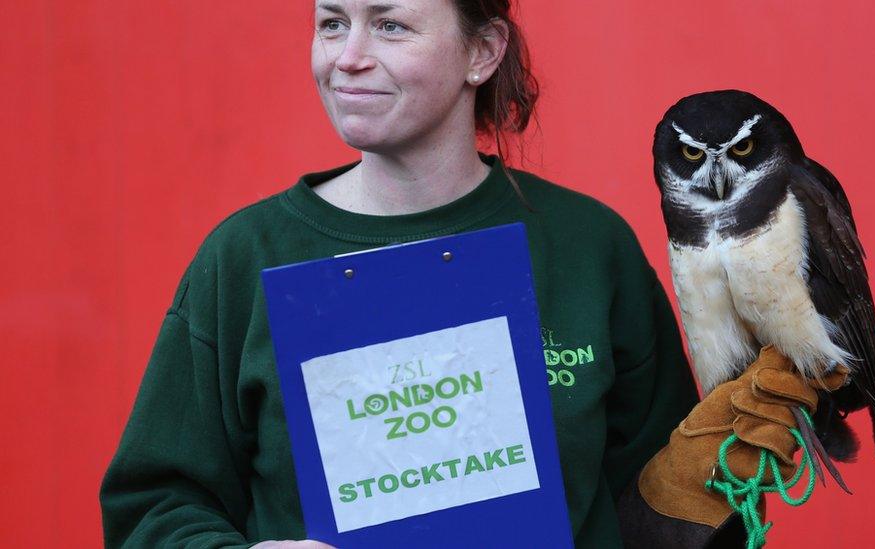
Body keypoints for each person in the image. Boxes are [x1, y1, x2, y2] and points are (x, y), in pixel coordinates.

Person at [101, 0, 830, 547]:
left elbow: (656, 507)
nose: (346, 56)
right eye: (331, 22)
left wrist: (702, 508)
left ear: (481, 52)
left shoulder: (588, 247)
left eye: (390, 25)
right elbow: (153, 503)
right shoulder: (245, 256)